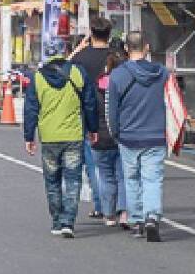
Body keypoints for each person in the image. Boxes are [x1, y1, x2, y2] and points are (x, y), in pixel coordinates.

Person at [22, 40, 99, 239]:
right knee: (73, 180)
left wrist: (29, 136)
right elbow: (90, 103)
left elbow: (31, 109)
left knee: (52, 180)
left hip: (49, 137)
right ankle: (68, 222)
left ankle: (56, 220)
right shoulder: (78, 73)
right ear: (64, 51)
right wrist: (93, 128)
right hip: (73, 135)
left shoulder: (37, 78)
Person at [108, 32, 173, 242]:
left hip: (128, 135)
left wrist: (115, 131)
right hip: (155, 134)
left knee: (132, 179)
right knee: (152, 179)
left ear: (126, 49)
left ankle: (136, 221)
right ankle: (152, 216)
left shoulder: (118, 75)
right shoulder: (162, 73)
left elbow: (112, 110)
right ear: (146, 47)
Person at [67, 16, 113, 221]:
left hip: (86, 112)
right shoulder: (115, 56)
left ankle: (99, 204)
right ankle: (115, 205)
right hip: (113, 111)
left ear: (91, 34)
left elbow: (62, 70)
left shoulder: (81, 58)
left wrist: (77, 50)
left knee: (94, 163)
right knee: (116, 164)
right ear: (109, 34)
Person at [93, 45, 127, 229]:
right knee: (122, 176)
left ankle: (109, 214)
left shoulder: (97, 86)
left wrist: (91, 130)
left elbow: (91, 110)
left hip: (100, 136)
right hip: (121, 136)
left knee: (106, 176)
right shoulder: (124, 86)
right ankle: (124, 212)